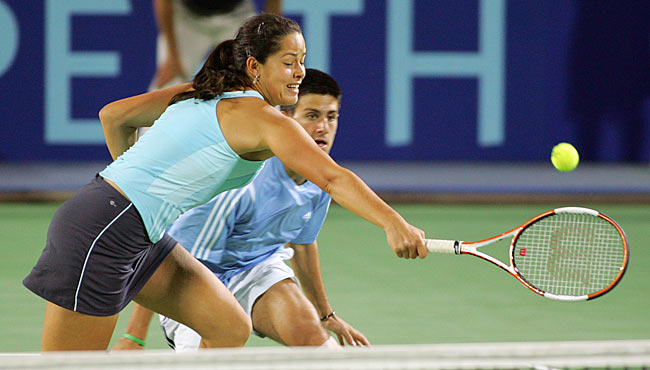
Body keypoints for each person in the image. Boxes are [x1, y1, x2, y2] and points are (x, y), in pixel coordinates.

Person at [24, 13, 426, 352]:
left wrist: (136, 181)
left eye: (302, 60)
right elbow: (333, 176)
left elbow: (114, 116)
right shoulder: (264, 118)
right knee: (70, 365)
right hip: (104, 231)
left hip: (137, 228)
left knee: (229, 327)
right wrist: (394, 223)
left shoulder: (203, 92)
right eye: (289, 62)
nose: (300, 72)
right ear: (254, 67)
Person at [114, 69, 368, 350]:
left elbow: (303, 244)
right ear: (286, 119)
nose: (323, 127)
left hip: (256, 269)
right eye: (312, 115)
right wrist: (134, 335)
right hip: (195, 280)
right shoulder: (243, 180)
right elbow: (170, 251)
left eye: (331, 117)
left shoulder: (322, 178)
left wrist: (326, 315)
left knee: (318, 345)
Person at [151, 0, 282, 90]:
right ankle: (151, 131)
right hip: (187, 18)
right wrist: (173, 58)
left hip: (237, 15)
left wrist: (267, 41)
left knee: (261, 78)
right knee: (168, 81)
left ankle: (275, 129)